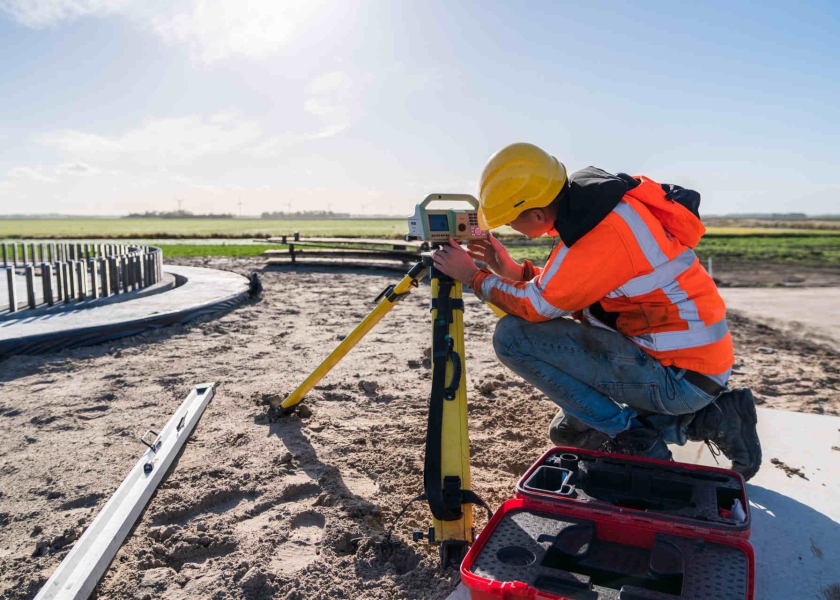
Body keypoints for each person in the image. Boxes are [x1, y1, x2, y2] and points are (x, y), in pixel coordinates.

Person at [432, 142, 762, 480]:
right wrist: (511, 270)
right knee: (569, 431)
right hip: (690, 364)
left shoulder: (602, 235)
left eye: (510, 221)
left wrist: (472, 276)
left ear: (536, 214)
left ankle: (632, 439)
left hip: (678, 377)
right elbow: (575, 286)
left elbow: (538, 306)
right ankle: (713, 418)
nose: (508, 228)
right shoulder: (604, 210)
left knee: (513, 338)